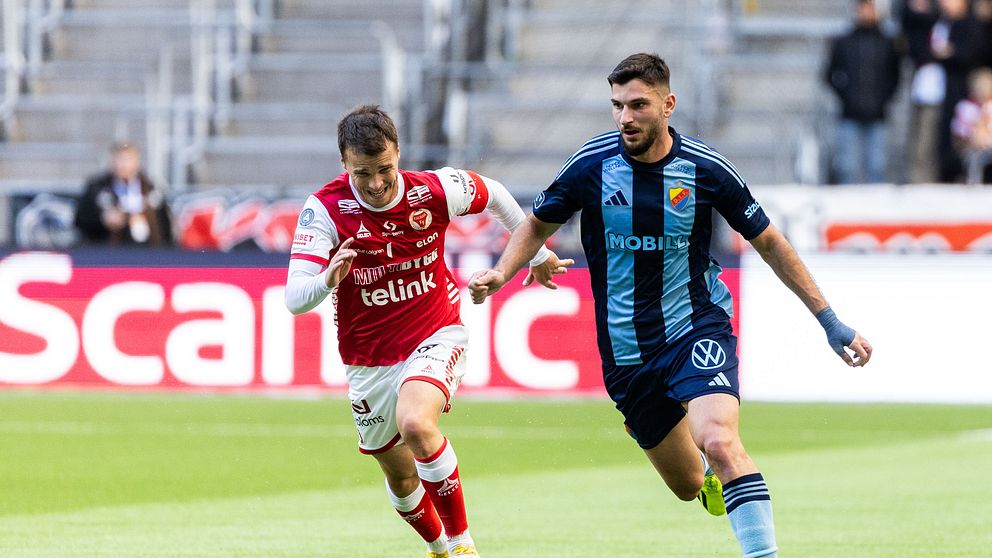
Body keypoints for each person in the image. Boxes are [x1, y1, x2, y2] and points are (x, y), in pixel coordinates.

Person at [469, 53, 873, 557]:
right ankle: (706, 478)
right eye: (617, 106)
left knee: (719, 440)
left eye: (638, 105)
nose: (625, 118)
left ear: (668, 104)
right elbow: (536, 223)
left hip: (694, 328)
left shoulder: (705, 169)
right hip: (626, 351)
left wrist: (829, 320)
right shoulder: (591, 165)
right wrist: (503, 272)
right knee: (687, 484)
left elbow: (770, 242)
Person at [283, 105, 570, 558]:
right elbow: (295, 298)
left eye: (385, 169)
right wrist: (327, 280)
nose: (376, 184)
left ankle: (462, 546)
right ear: (344, 163)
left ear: (399, 152)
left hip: (434, 332)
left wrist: (536, 255)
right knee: (400, 477)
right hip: (368, 360)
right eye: (362, 174)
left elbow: (495, 194)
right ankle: (438, 549)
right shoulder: (324, 210)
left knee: (416, 422)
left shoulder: (435, 190)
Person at [824, 0, 901, 184]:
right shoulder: (844, 41)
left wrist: (884, 99)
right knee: (847, 167)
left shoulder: (887, 42)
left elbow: (895, 76)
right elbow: (829, 74)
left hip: (878, 114)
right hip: (850, 113)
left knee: (877, 166)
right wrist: (846, 97)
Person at [74, 142, 173, 246]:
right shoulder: (96, 188)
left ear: (137, 162)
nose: (123, 165)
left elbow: (165, 225)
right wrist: (102, 218)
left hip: (147, 251)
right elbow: (80, 219)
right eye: (119, 159)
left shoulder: (151, 189)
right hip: (107, 250)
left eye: (127, 159)